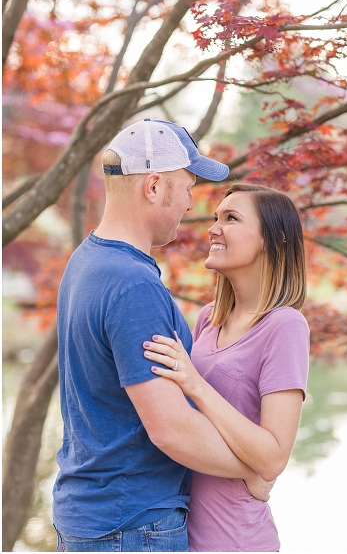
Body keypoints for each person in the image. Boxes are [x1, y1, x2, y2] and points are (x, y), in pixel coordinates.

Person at [53, 118, 270, 552]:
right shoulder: (133, 286)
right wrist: (252, 471)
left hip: (91, 514)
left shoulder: (87, 261)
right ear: (153, 187)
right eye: (187, 186)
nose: (191, 204)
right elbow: (171, 429)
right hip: (132, 525)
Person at [143, 183, 309, 552]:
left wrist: (195, 385)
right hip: (176, 531)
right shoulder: (208, 319)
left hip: (234, 538)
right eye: (216, 217)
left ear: (273, 238)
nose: (213, 228)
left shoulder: (285, 326)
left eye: (230, 218)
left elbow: (273, 456)